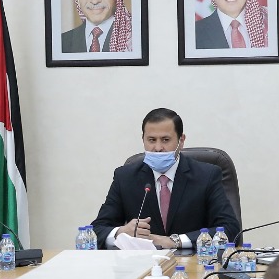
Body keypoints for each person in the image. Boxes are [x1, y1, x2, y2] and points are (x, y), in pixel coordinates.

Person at [91, 107, 239, 249]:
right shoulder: (125, 177)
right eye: (151, 140)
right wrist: (121, 232)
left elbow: (230, 229)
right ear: (143, 139)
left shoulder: (207, 175)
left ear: (181, 140)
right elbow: (96, 231)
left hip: (193, 262)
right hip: (143, 262)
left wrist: (174, 241)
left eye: (165, 140)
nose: (158, 148)